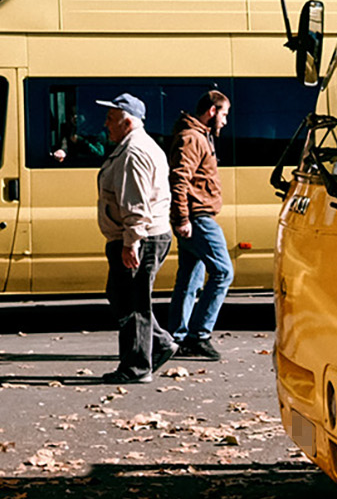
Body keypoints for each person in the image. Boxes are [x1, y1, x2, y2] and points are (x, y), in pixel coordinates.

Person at [95, 93, 174, 384]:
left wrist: (132, 241)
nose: (106, 125)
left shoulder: (133, 153)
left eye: (111, 119)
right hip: (138, 235)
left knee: (133, 303)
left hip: (140, 237)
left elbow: (136, 202)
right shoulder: (132, 146)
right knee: (121, 296)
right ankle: (160, 345)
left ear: (127, 122)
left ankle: (137, 367)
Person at [164, 89, 233, 360]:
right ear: (212, 111)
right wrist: (181, 218)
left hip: (194, 216)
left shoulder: (198, 135)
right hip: (197, 217)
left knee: (189, 277)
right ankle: (199, 335)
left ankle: (176, 338)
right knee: (223, 273)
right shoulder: (192, 137)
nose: (226, 121)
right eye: (224, 114)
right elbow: (179, 180)